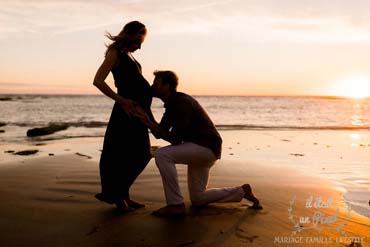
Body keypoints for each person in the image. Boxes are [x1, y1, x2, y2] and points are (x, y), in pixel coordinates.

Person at [137, 70, 263, 217]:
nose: (152, 87)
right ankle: (242, 191)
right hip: (201, 148)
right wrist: (146, 119)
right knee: (198, 198)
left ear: (167, 86)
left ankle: (175, 204)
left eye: (156, 84)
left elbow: (175, 139)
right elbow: (160, 133)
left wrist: (149, 122)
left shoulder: (181, 103)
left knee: (161, 155)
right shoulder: (172, 104)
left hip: (206, 147)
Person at [93, 21, 154, 211]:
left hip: (137, 112)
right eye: (138, 41)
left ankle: (123, 194)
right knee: (128, 154)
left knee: (136, 154)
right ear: (129, 35)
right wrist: (121, 100)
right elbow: (97, 80)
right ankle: (118, 196)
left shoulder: (129, 55)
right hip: (126, 112)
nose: (139, 46)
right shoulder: (115, 53)